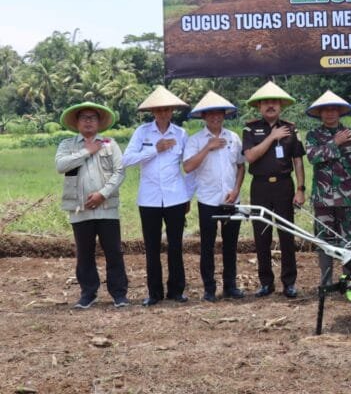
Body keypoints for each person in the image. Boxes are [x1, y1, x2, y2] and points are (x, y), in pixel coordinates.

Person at [55, 102, 129, 309]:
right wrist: (86, 151)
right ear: (77, 122)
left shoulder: (110, 144)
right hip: (80, 209)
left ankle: (119, 294)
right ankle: (88, 293)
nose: (88, 121)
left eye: (92, 117)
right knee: (84, 253)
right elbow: (61, 166)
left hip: (107, 208)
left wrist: (102, 195)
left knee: (113, 252)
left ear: (99, 122)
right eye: (84, 117)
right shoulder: (67, 145)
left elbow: (120, 172)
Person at [123, 86, 192, 307]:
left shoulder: (181, 134)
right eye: (159, 109)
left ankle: (177, 290)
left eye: (167, 109)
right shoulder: (142, 133)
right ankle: (154, 293)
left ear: (172, 111)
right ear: (153, 111)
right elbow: (127, 160)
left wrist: (188, 195)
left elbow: (189, 167)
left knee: (175, 246)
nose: (163, 113)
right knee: (151, 247)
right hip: (149, 198)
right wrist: (155, 148)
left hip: (175, 197)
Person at [242, 81, 306, 299]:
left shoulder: (290, 128)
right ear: (259, 106)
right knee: (262, 236)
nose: (270, 106)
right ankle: (265, 283)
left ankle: (289, 283)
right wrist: (271, 137)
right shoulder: (250, 129)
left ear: (280, 106)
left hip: (284, 186)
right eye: (266, 102)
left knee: (287, 235)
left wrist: (300, 188)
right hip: (260, 187)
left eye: (274, 102)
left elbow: (297, 160)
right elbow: (250, 156)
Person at [183, 91, 245, 302]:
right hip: (208, 200)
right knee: (207, 246)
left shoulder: (233, 138)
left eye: (219, 114)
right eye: (210, 114)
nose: (215, 117)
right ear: (203, 117)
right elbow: (188, 166)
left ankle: (230, 286)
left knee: (231, 245)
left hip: (231, 199)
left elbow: (240, 166)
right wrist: (208, 147)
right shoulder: (195, 140)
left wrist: (236, 189)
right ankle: (209, 289)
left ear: (224, 116)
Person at [305, 90, 351, 285]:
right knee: (324, 240)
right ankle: (326, 282)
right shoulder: (313, 135)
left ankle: (348, 279)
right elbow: (312, 157)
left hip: (348, 198)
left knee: (348, 239)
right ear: (320, 113)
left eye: (334, 110)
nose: (330, 114)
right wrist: (335, 143)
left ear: (340, 112)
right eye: (326, 110)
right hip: (322, 198)